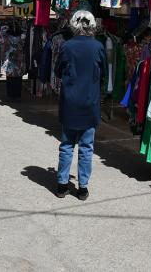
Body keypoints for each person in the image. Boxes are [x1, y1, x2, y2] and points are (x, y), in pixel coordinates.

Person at [54, 11, 106, 200]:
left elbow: (57, 71)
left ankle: (62, 184)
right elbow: (104, 74)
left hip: (70, 101)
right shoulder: (98, 47)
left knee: (67, 144)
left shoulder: (67, 46)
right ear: (92, 25)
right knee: (86, 146)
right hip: (89, 102)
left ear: (74, 25)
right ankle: (82, 187)